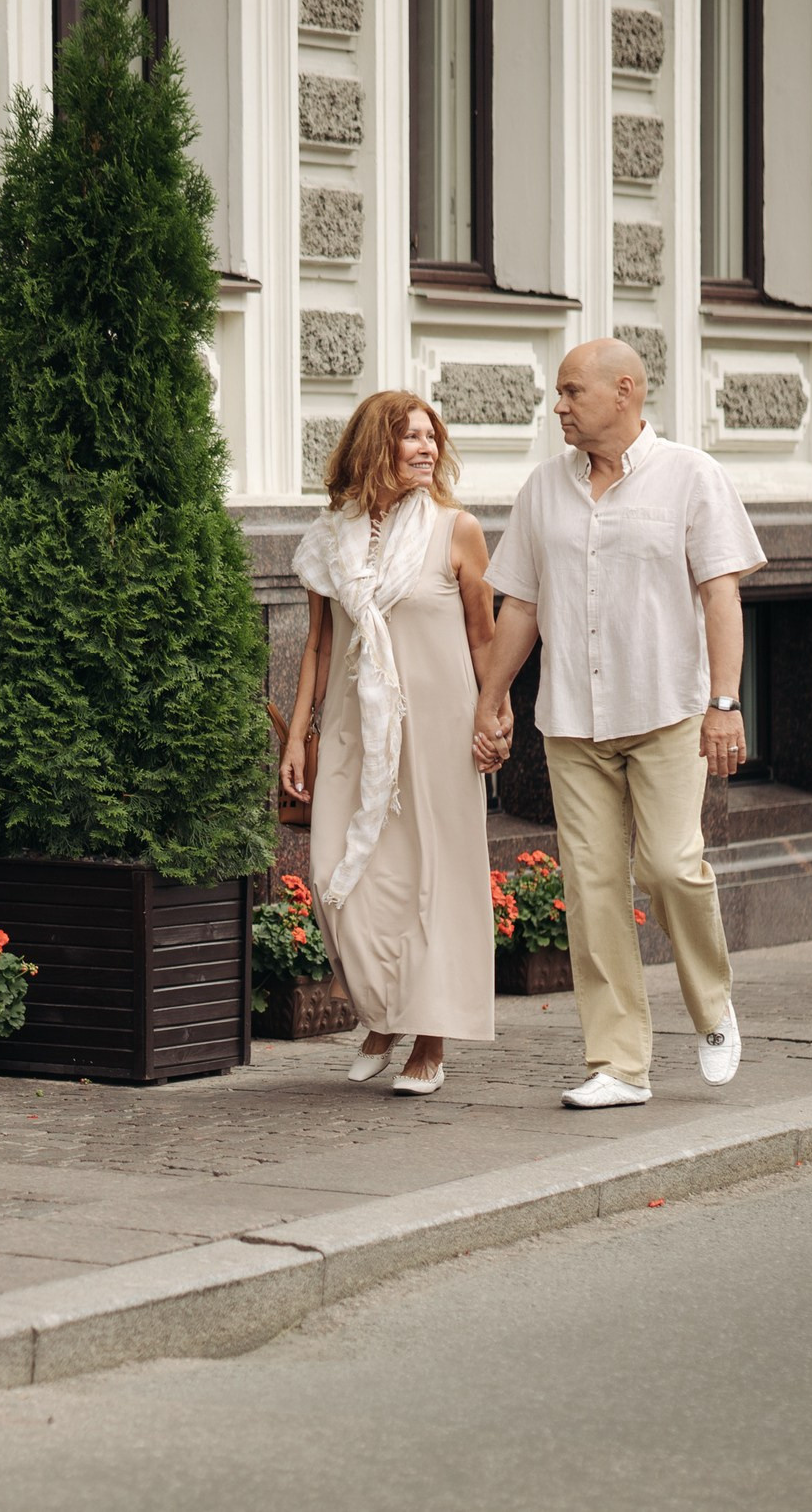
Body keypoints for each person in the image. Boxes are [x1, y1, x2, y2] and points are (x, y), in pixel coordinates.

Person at [469, 338, 765, 1109]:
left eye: (571, 391)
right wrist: (491, 697)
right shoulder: (544, 489)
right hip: (571, 717)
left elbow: (721, 597)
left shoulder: (692, 476)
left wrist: (724, 704)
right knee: (594, 889)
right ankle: (619, 1062)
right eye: (558, 394)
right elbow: (522, 606)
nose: (558, 406)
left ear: (625, 390)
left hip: (666, 707)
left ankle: (711, 1006)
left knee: (669, 866)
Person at [281, 391, 509, 1096]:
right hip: (355, 730)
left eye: (432, 436)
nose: (427, 448)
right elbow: (320, 643)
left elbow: (483, 637)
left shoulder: (456, 530)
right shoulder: (330, 537)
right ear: (374, 447)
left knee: (432, 878)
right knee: (336, 875)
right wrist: (296, 734)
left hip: (439, 727)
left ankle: (428, 1039)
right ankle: (382, 1012)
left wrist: (493, 716)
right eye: (410, 437)